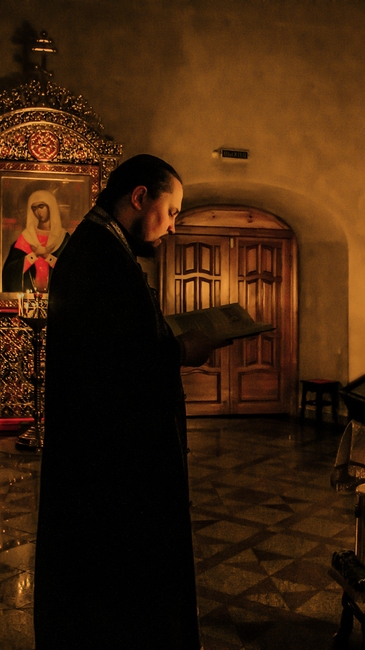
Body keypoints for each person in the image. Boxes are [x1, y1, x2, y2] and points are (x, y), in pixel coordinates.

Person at [34, 155, 214, 650]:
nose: (173, 226)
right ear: (139, 197)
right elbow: (118, 364)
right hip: (111, 471)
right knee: (117, 599)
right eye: (171, 211)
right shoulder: (100, 257)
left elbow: (117, 344)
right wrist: (182, 350)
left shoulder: (100, 247)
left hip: (105, 462)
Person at [1, 189, 70, 292]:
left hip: (56, 297)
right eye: (34, 208)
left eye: (41, 207)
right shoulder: (26, 237)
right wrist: (34, 255)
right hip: (28, 297)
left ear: (50, 207)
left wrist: (47, 256)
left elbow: (71, 270)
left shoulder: (63, 238)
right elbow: (9, 272)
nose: (38, 212)